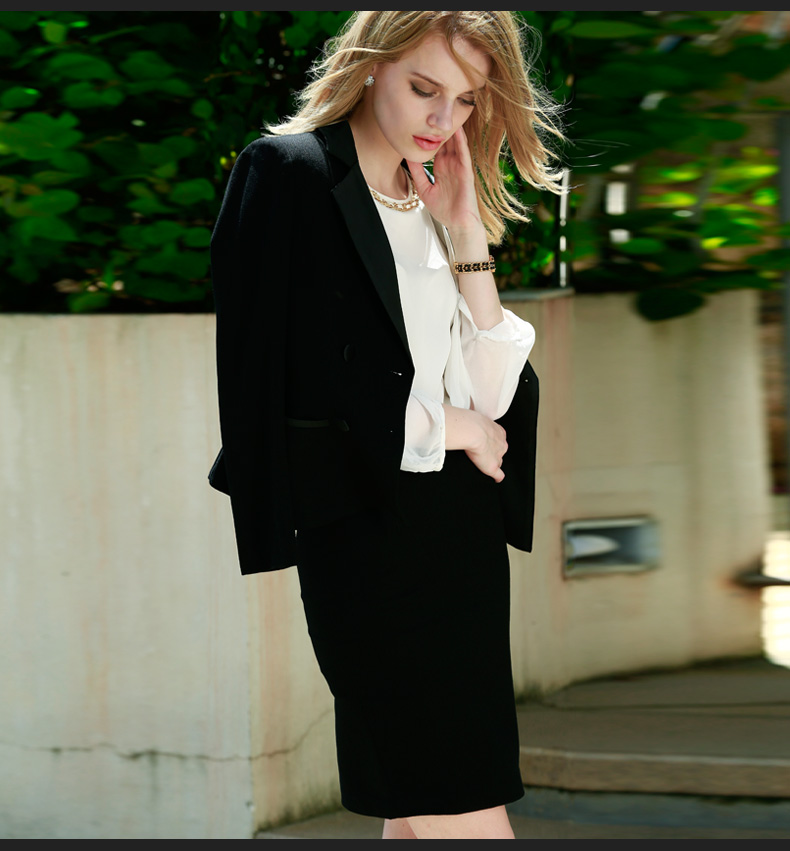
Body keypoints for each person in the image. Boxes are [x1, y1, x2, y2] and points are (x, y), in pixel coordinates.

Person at [208, 11, 563, 840]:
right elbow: (279, 375)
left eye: (466, 101)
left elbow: (494, 392)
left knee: (419, 807)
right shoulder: (288, 174)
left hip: (459, 541)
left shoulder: (431, 192)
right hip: (368, 535)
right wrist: (452, 427)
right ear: (371, 65)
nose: (444, 119)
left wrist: (466, 232)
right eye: (424, 88)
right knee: (456, 801)